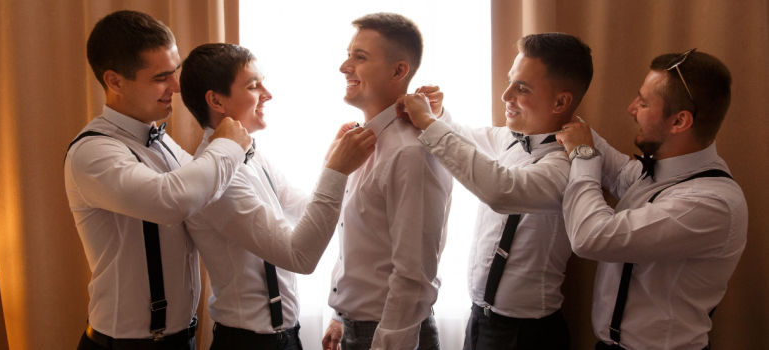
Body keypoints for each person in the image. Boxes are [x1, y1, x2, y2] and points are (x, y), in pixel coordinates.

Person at [65, 10, 252, 350]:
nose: (176, 87)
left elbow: (204, 189)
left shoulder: (159, 138)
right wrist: (227, 144)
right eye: (160, 78)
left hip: (181, 340)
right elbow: (171, 201)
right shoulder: (92, 152)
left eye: (175, 72)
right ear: (115, 81)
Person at [397, 32, 593, 349]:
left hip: (528, 335)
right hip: (480, 321)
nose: (505, 95)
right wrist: (437, 115)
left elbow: (500, 190)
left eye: (522, 88)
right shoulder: (508, 138)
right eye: (510, 81)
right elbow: (461, 140)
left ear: (560, 102)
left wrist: (429, 125)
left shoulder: (565, 168)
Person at [179, 43, 376, 350]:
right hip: (247, 343)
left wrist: (332, 163)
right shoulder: (218, 179)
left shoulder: (252, 158)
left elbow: (305, 210)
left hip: (285, 337)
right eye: (253, 85)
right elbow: (300, 255)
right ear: (216, 100)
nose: (267, 94)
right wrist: (337, 170)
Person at [556, 49, 747, 349]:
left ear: (679, 121)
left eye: (644, 103)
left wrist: (583, 155)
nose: (632, 109)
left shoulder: (710, 203)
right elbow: (621, 174)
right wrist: (566, 120)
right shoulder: (669, 167)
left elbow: (589, 237)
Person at [321, 12, 453, 350]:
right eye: (348, 54)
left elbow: (414, 275)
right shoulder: (359, 143)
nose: (344, 66)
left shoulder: (410, 152)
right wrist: (340, 314)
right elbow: (364, 241)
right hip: (359, 326)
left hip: (392, 334)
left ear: (399, 71)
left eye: (359, 57)